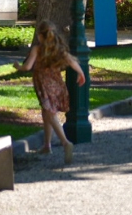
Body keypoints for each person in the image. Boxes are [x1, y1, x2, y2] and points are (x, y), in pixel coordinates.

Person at [16, 20, 85, 163]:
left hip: (44, 87)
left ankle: (66, 143)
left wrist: (18, 66)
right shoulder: (59, 49)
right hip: (57, 86)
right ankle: (47, 145)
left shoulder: (37, 49)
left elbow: (27, 67)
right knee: (46, 113)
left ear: (41, 36)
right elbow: (72, 62)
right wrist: (81, 73)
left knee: (50, 114)